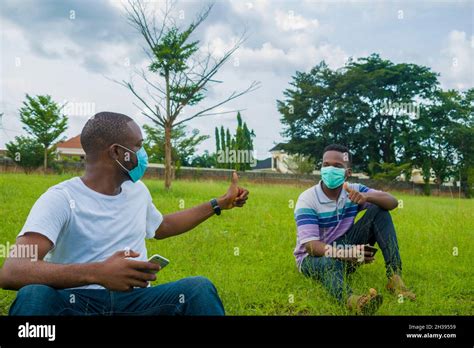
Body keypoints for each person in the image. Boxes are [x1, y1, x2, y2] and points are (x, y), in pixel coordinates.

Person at [1, 111, 249, 316]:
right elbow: (13, 270)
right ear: (117, 152)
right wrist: (98, 273)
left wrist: (218, 203)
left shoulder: (136, 191)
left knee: (198, 289)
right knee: (34, 296)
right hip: (76, 304)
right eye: (138, 146)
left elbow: (161, 226)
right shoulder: (61, 199)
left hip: (136, 302)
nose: (143, 154)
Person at [293, 144, 415, 314]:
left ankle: (394, 278)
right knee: (329, 262)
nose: (330, 169)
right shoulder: (308, 199)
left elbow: (392, 202)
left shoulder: (353, 190)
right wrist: (346, 252)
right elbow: (311, 246)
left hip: (344, 250)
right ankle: (354, 301)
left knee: (378, 210)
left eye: (337, 166)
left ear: (347, 172)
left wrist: (367, 197)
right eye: (326, 165)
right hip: (312, 259)